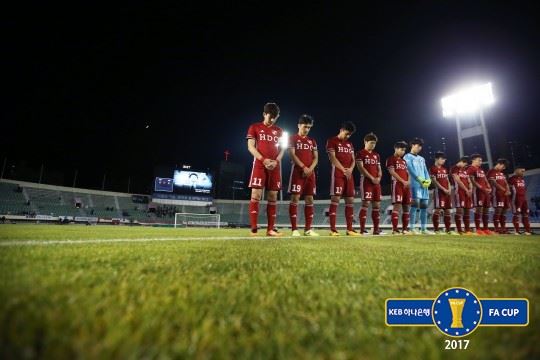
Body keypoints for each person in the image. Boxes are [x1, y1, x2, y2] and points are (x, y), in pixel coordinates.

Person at [246, 102, 286, 236]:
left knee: (273, 196)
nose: (273, 120)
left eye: (275, 117)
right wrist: (263, 160)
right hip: (259, 165)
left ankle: (270, 229)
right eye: (270, 117)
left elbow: (282, 150)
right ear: (264, 114)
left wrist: (276, 161)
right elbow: (251, 147)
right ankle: (253, 228)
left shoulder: (280, 131)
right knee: (256, 195)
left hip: (275, 166)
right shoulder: (254, 127)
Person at [326, 121, 361, 236]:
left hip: (348, 175)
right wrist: (343, 169)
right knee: (335, 199)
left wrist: (350, 169)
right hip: (338, 174)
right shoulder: (332, 141)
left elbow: (353, 159)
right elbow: (332, 158)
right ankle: (333, 229)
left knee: (350, 200)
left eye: (350, 135)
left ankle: (350, 229)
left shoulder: (349, 144)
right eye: (346, 133)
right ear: (341, 130)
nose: (348, 136)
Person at [288, 114, 320, 236]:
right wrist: (303, 167)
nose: (307, 129)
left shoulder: (312, 141)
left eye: (309, 127)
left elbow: (316, 158)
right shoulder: (292, 138)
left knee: (310, 199)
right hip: (297, 172)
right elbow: (292, 154)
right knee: (295, 198)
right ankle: (294, 229)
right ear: (299, 125)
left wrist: (310, 169)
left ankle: (308, 229)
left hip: (310, 174)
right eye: (305, 126)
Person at [403, 138, 432, 234]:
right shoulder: (407, 157)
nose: (419, 148)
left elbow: (425, 170)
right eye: (417, 145)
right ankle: (412, 228)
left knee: (424, 206)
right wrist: (420, 180)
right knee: (415, 205)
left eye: (420, 146)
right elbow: (410, 169)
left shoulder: (421, 159)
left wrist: (428, 181)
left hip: (424, 185)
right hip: (415, 184)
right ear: (412, 145)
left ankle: (423, 229)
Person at [356, 133, 383, 235]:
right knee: (366, 203)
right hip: (366, 182)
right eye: (371, 143)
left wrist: (379, 178)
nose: (373, 145)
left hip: (376, 183)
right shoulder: (360, 153)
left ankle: (376, 229)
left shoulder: (376, 155)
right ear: (365, 142)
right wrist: (372, 178)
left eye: (374, 143)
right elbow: (361, 168)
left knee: (377, 205)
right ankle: (362, 229)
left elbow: (379, 169)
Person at [385, 141, 411, 235]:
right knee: (397, 205)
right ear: (396, 148)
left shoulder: (404, 161)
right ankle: (395, 229)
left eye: (404, 150)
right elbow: (392, 172)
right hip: (397, 185)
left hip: (406, 186)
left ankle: (405, 229)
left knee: (406, 207)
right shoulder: (390, 159)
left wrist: (408, 181)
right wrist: (403, 181)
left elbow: (408, 173)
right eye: (401, 149)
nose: (403, 151)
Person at [430, 152, 458, 234]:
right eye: (442, 159)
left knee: (447, 210)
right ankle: (436, 229)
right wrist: (443, 189)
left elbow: (448, 180)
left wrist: (449, 189)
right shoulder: (433, 168)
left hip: (447, 192)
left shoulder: (444, 169)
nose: (444, 161)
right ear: (436, 159)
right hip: (439, 192)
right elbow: (434, 181)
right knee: (438, 210)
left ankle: (448, 230)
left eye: (444, 159)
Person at [467, 154, 494, 235]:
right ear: (473, 160)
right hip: (477, 192)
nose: (481, 162)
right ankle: (478, 229)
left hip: (485, 192)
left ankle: (486, 229)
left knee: (486, 210)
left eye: (481, 160)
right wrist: (481, 187)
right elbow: (471, 180)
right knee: (479, 209)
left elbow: (485, 178)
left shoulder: (481, 170)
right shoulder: (470, 169)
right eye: (479, 160)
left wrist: (488, 186)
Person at [450, 156, 474, 235]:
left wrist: (470, 190)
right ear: (462, 162)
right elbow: (458, 181)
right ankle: (459, 230)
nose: (465, 166)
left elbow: (469, 181)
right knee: (459, 210)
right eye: (465, 164)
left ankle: (467, 230)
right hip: (459, 192)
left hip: (467, 193)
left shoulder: (465, 171)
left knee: (467, 211)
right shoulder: (454, 168)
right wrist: (467, 190)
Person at [487, 158, 511, 234]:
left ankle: (503, 228)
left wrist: (508, 190)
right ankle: (496, 229)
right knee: (498, 211)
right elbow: (493, 182)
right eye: (503, 167)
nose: (503, 169)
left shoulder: (501, 173)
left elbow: (506, 182)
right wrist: (504, 190)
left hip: (504, 195)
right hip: (496, 195)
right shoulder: (491, 171)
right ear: (499, 164)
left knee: (504, 212)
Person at [508, 165, 532, 235]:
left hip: (524, 199)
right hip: (516, 199)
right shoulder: (511, 179)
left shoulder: (522, 179)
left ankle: (528, 231)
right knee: (516, 214)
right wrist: (509, 199)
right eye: (521, 171)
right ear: (516, 171)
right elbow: (508, 189)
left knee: (525, 214)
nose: (523, 172)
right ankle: (517, 231)